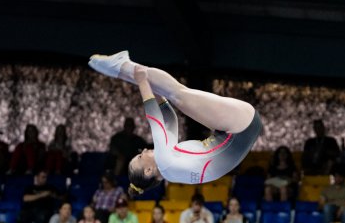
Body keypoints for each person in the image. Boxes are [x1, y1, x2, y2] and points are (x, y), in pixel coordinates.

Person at [89, 51, 262, 189]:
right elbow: (154, 120)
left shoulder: (170, 165)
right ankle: (122, 66)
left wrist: (153, 91)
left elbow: (171, 121)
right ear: (149, 171)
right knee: (179, 96)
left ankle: (121, 67)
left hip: (235, 130)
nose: (145, 151)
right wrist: (143, 83)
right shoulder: (165, 164)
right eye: (141, 156)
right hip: (239, 128)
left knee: (177, 96)